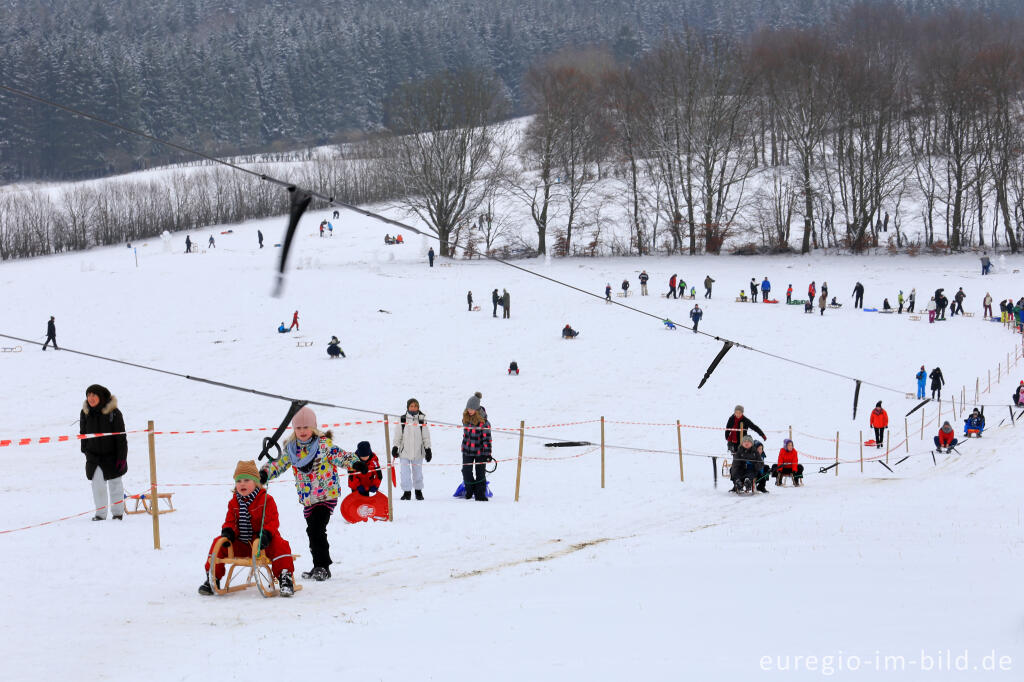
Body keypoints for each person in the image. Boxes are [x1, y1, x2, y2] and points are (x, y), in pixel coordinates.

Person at [259, 407, 358, 581]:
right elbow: (278, 464)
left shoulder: (322, 445)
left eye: (306, 427)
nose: (302, 431)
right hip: (308, 498)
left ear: (313, 427)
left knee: (316, 529)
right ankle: (318, 566)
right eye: (298, 428)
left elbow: (340, 456)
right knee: (312, 531)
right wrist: (265, 473)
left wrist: (355, 463)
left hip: (327, 495)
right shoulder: (291, 449)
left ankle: (323, 567)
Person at [199, 461, 295, 597]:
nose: (242, 484)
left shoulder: (266, 500)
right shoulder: (233, 503)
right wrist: (228, 532)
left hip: (262, 544)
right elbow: (230, 521)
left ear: (256, 482)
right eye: (238, 481)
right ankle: (212, 578)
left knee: (280, 544)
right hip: (242, 544)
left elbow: (272, 521)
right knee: (218, 542)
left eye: (246, 480)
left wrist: (266, 535)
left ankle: (285, 578)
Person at [80, 384, 127, 520]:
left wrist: (121, 458)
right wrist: (85, 450)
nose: (91, 398)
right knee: (97, 485)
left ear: (101, 396)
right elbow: (83, 433)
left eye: (94, 395)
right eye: (88, 395)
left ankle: (118, 514)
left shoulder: (114, 413)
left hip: (113, 456)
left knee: (115, 485)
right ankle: (100, 515)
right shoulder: (85, 413)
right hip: (94, 457)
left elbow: (121, 438)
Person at [393, 399, 433, 500]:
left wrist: (428, 449)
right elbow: (398, 435)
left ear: (418, 407)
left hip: (418, 452)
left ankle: (418, 491)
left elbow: (426, 436)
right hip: (404, 452)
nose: (413, 408)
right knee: (405, 473)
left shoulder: (421, 419)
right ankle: (407, 492)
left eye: (415, 406)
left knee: (418, 473)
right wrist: (395, 447)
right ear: (408, 407)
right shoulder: (402, 419)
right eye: (411, 406)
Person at [461, 392, 492, 501]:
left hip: (480, 452)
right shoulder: (465, 419)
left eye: (471, 409)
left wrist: (488, 454)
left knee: (480, 472)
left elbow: (487, 440)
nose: (469, 410)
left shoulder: (484, 423)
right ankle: (470, 490)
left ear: (476, 409)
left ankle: (480, 494)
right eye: (468, 408)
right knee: (466, 471)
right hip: (467, 450)